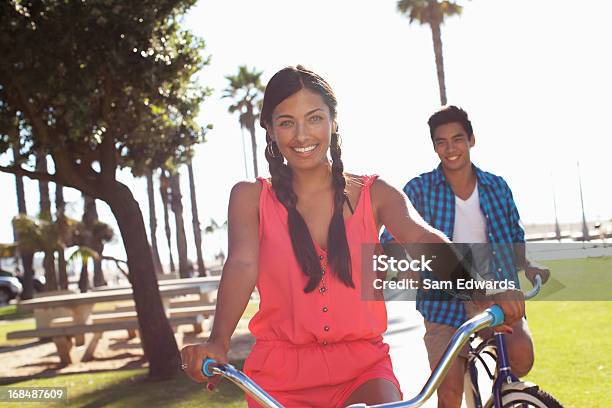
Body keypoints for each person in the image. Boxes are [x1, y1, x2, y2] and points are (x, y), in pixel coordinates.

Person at [180, 67, 524, 408]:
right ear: (269, 129)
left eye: (314, 118)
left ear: (333, 120)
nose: (302, 135)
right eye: (286, 122)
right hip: (278, 378)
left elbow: (422, 239)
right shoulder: (249, 198)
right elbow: (241, 263)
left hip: (364, 369)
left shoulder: (376, 194)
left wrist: (481, 287)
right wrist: (218, 341)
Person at [380, 105, 550, 408]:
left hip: (495, 292)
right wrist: (406, 263)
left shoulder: (497, 187)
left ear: (471, 140)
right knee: (448, 394)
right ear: (434, 147)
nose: (450, 148)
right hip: (443, 300)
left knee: (521, 357)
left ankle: (498, 397)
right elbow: (390, 239)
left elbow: (515, 239)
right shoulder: (419, 190)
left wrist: (528, 264)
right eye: (441, 142)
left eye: (457, 139)